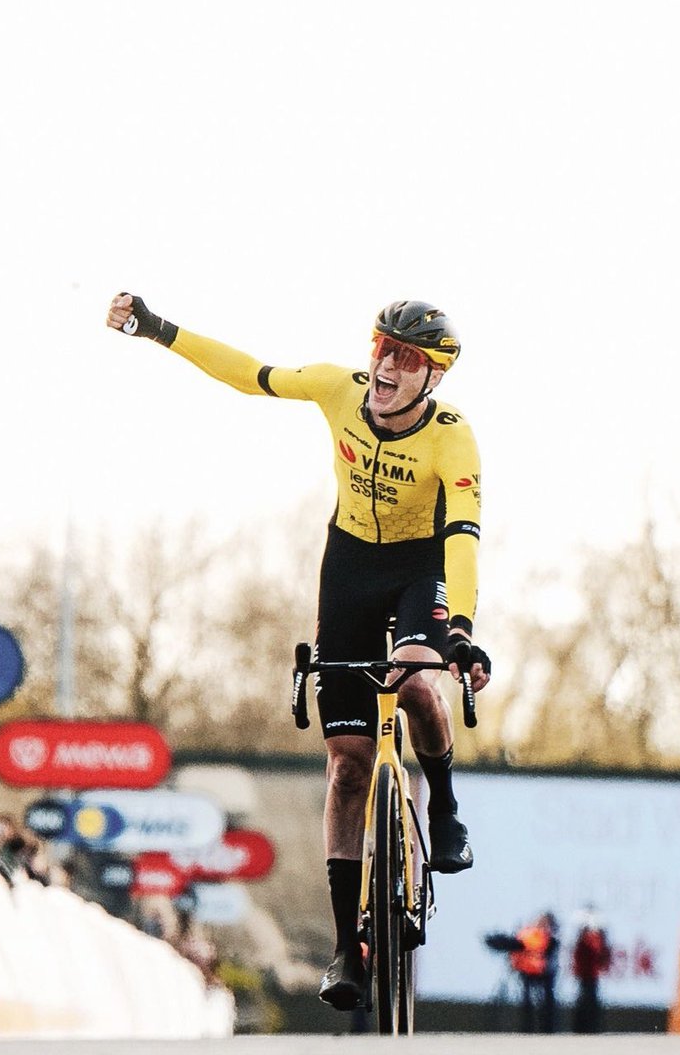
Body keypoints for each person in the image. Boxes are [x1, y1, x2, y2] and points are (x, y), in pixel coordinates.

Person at [106, 293, 490, 1011]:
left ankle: (441, 808)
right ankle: (349, 944)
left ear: (432, 378)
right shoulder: (336, 389)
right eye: (382, 346)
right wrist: (158, 329)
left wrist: (459, 627)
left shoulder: (452, 437)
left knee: (414, 681)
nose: (385, 365)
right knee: (346, 764)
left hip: (418, 568)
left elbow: (463, 533)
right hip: (347, 564)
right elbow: (248, 373)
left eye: (406, 359)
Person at [508, 911, 560, 1033]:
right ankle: (527, 1028)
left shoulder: (551, 938)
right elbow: (517, 951)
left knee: (546, 1002)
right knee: (527, 1000)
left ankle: (547, 1028)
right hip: (528, 971)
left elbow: (551, 954)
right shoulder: (528, 935)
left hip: (545, 972)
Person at [570, 906, 611, 1035]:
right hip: (584, 974)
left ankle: (591, 1028)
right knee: (583, 1001)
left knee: (591, 1001)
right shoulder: (583, 939)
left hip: (592, 974)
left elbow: (601, 954)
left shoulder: (596, 938)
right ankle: (581, 1028)